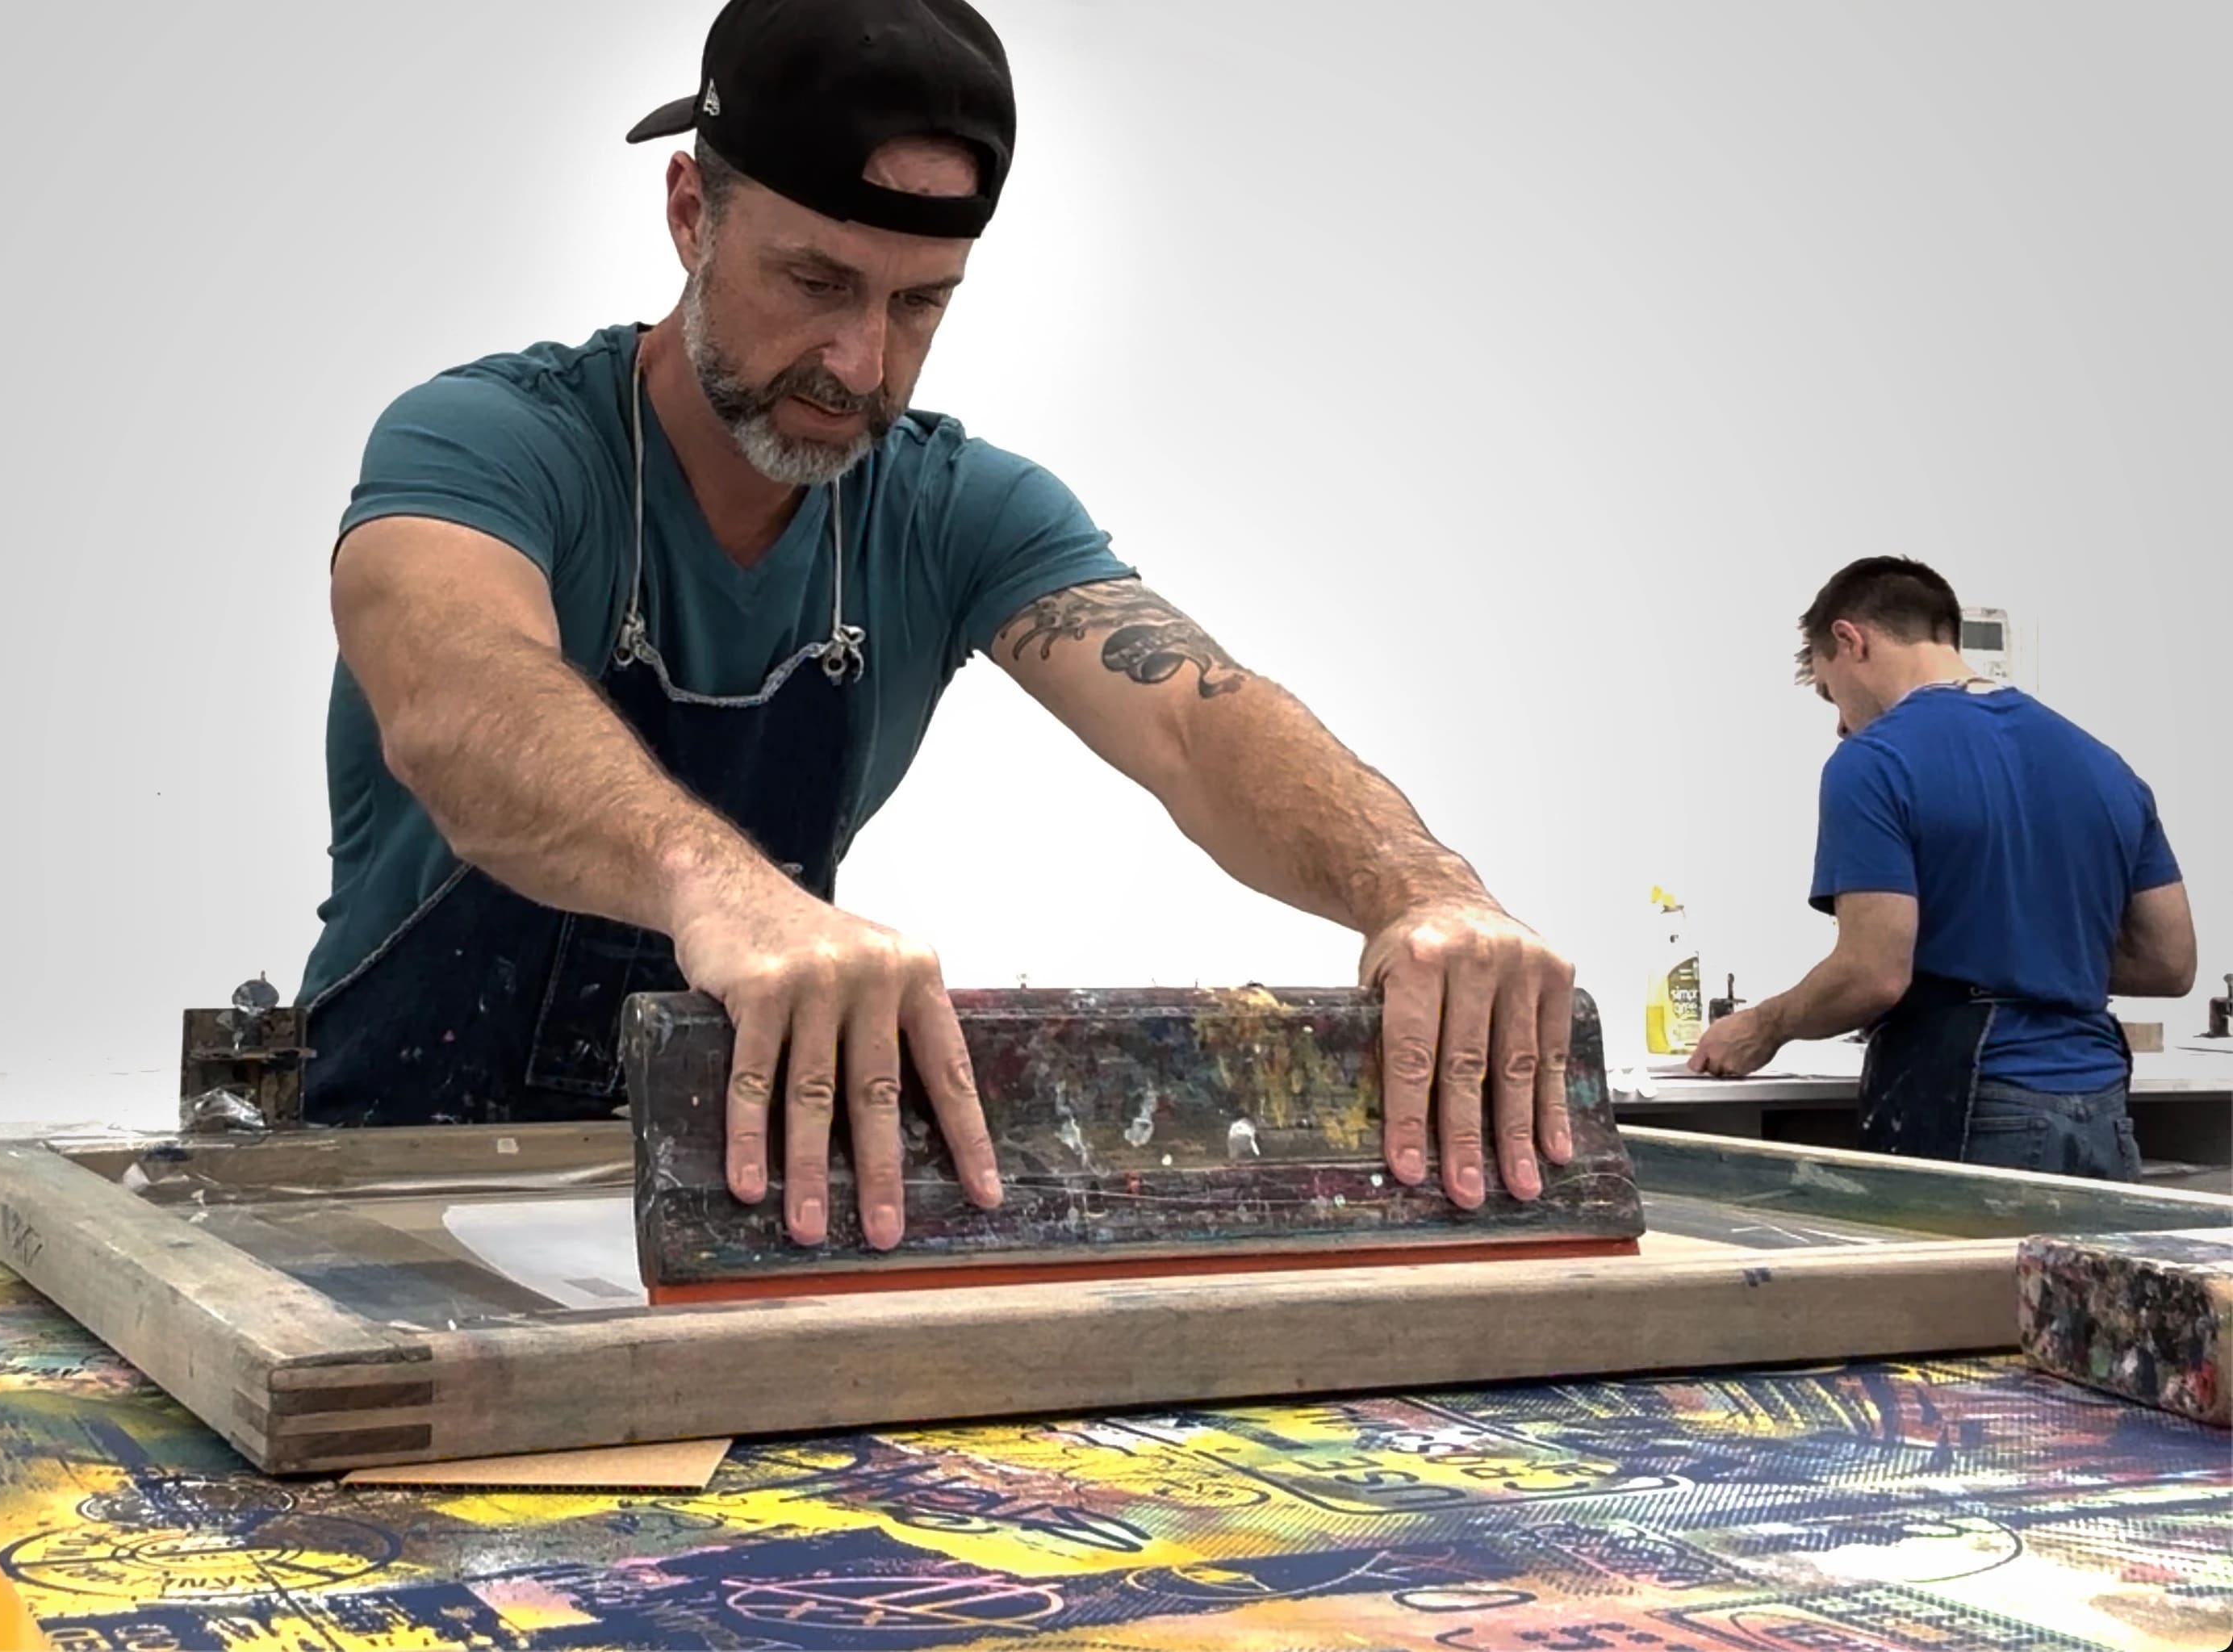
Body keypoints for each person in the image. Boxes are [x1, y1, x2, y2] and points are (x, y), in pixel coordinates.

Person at [295, 0, 1580, 1250]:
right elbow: (456, 693)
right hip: (376, 1187)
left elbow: (1197, 718)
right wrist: (717, 884)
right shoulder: (492, 443)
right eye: (815, 280)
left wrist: (1421, 891)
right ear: (691, 213)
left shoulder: (954, 508)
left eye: (921, 305)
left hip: (728, 1201)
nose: (861, 363)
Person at [1689, 557, 2196, 1179]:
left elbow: (1872, 973)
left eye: (1830, 691)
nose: (1841, 722)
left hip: (1976, 1109)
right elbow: (2171, 962)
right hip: (2102, 1112)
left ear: (1851, 641)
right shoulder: (2106, 766)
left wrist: (1763, 1025)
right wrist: (2034, 949)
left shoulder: (1873, 761)